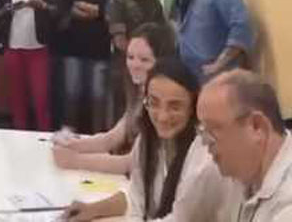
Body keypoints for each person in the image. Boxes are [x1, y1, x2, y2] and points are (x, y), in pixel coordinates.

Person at [64, 57, 225, 221]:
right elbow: (137, 200)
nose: (162, 116)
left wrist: (74, 160)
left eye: (175, 107)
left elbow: (180, 218)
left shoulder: (203, 158)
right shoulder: (147, 139)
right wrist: (94, 209)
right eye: (154, 103)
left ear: (193, 107)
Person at [52, 22, 175, 175]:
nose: (135, 65)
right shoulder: (139, 93)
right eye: (130, 57)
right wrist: (70, 145)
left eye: (144, 60)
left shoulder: (162, 103)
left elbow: (131, 163)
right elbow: (110, 139)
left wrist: (74, 161)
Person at [198, 70, 292, 221]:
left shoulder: (287, 207)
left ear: (257, 126)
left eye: (213, 129)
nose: (205, 142)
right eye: (203, 131)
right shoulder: (243, 174)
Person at [0, 0, 58, 131]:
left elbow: (59, 11)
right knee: (17, 99)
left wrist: (42, 5)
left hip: (38, 48)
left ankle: (44, 138)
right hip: (13, 47)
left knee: (40, 98)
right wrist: (10, 8)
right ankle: (19, 138)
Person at [62, 0, 118, 133]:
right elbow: (66, 7)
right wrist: (94, 10)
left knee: (99, 97)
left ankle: (98, 137)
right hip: (74, 49)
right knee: (71, 96)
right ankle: (70, 136)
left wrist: (93, 10)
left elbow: (111, 11)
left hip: (100, 51)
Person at [106, 0, 166, 122]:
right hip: (126, 70)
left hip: (152, 70)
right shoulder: (118, 1)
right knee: (126, 116)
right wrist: (139, 59)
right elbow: (119, 41)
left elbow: (161, 31)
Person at [44, 0, 69, 129]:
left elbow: (67, 11)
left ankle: (57, 125)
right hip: (42, 41)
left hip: (63, 43)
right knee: (42, 88)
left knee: (60, 88)